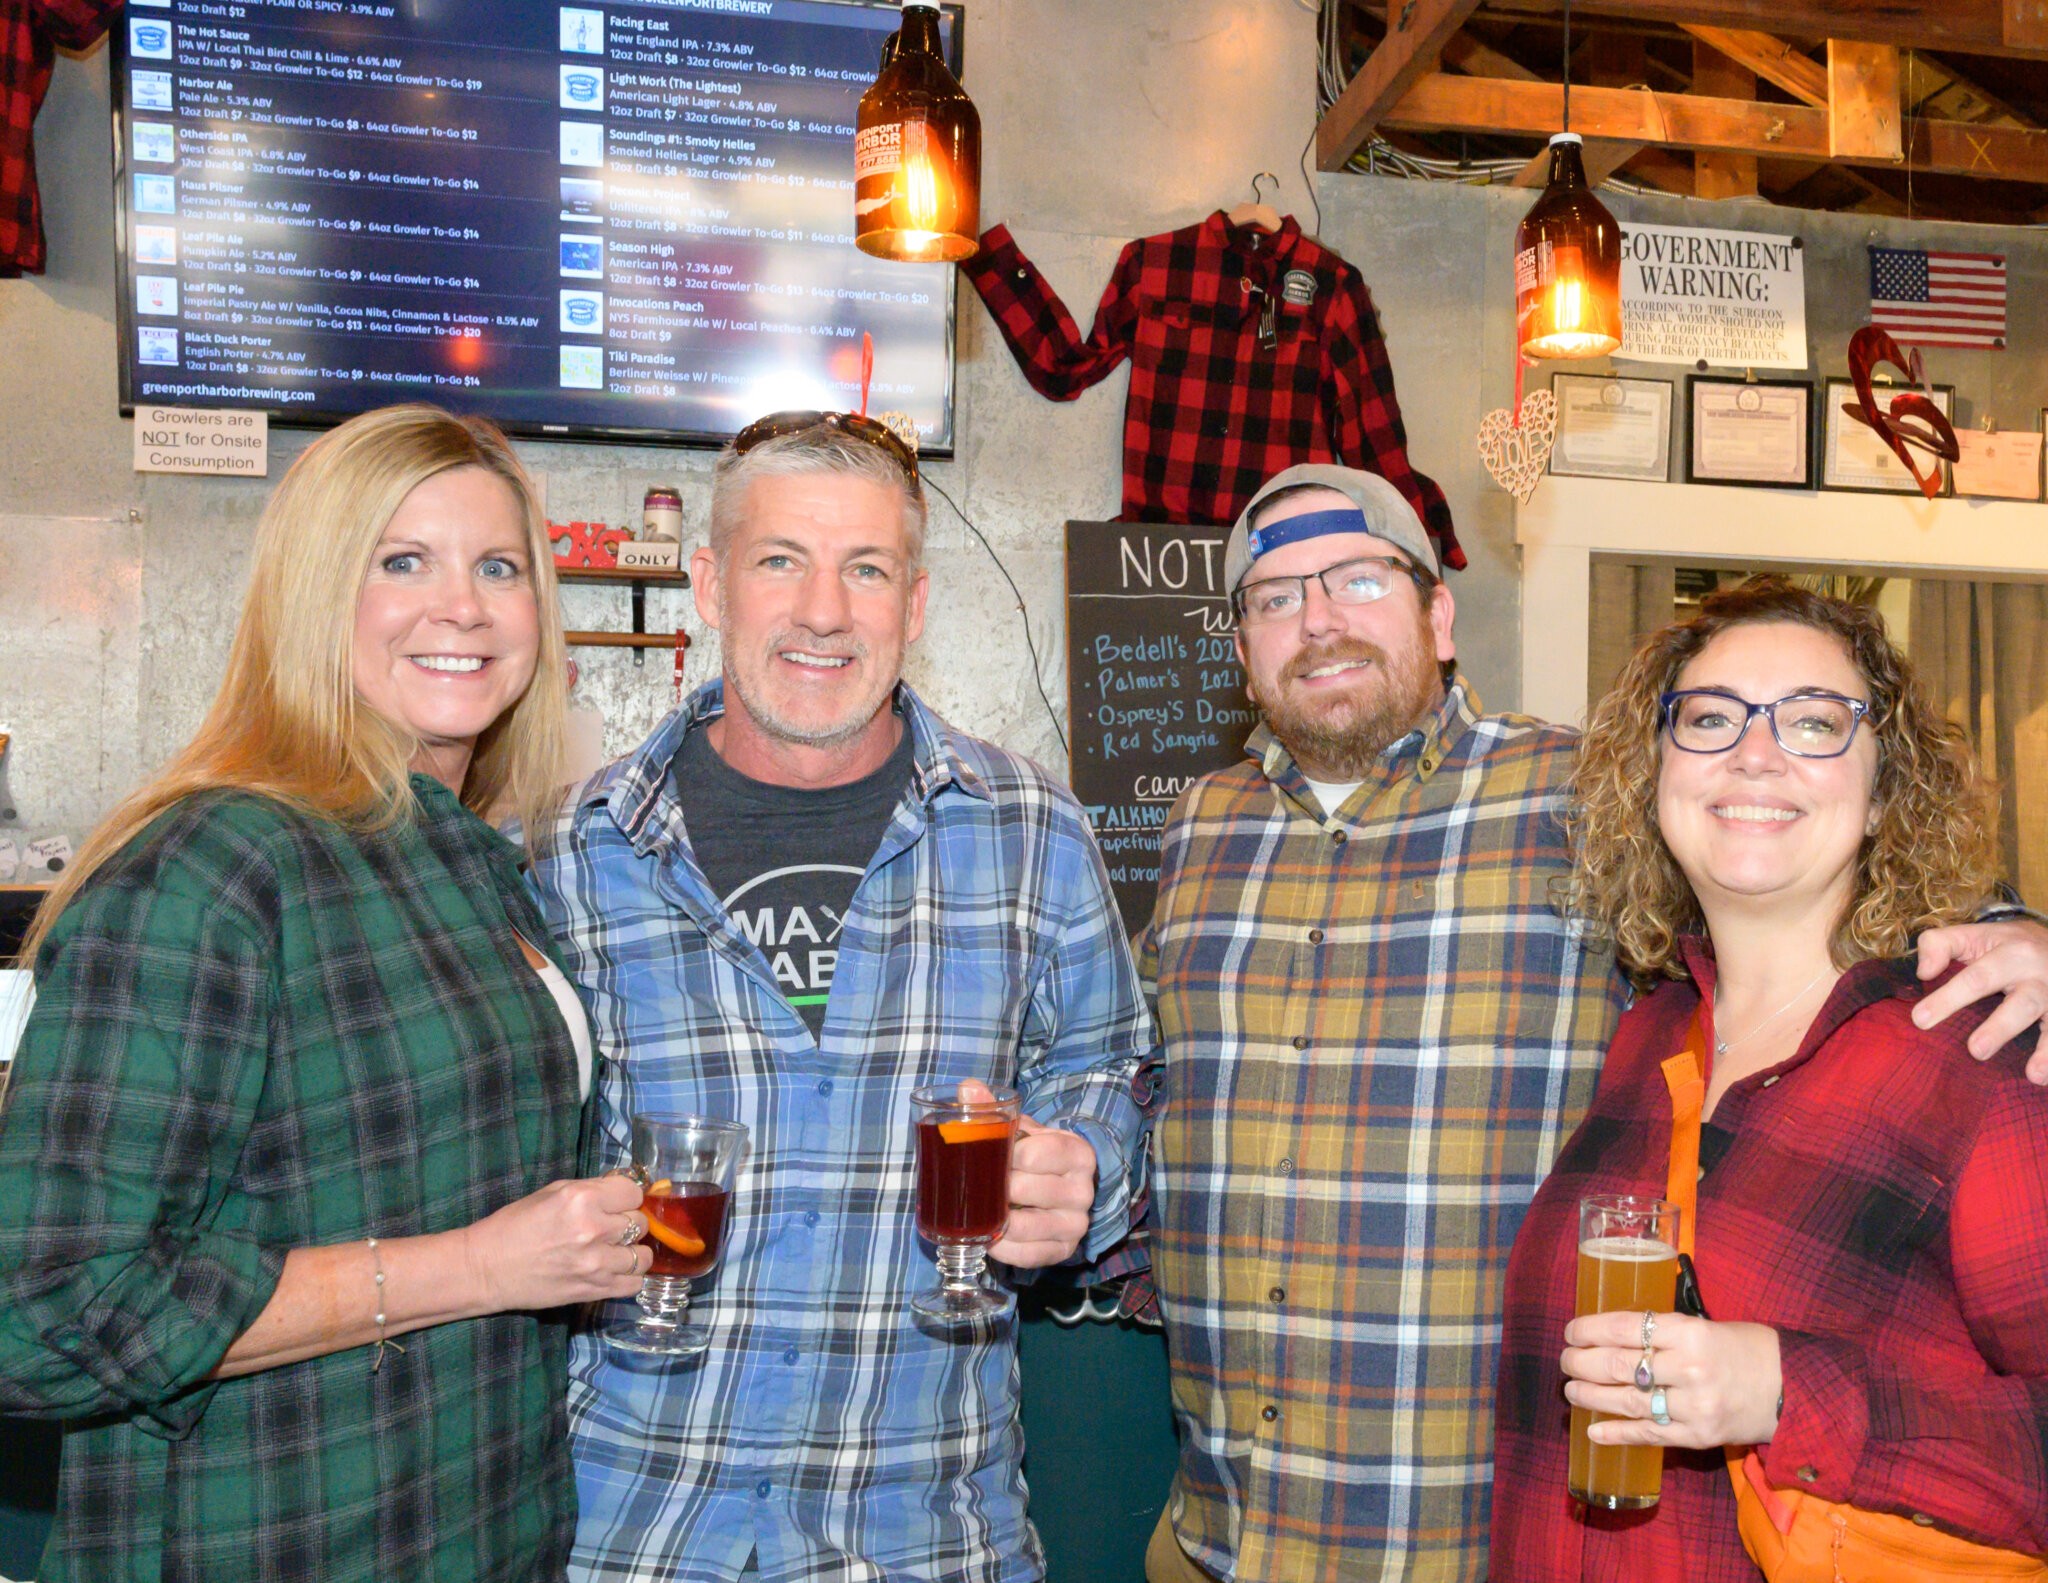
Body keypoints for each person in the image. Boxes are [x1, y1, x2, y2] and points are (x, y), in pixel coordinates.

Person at [1138, 464, 2048, 1583]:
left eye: (1358, 579)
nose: (1317, 619)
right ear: (1239, 647)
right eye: (1274, 598)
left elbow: (1780, 835)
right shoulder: (1197, 830)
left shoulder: (1570, 790)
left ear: (1437, 613)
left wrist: (2019, 930)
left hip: (1456, 1536)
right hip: (1223, 1522)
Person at [0, 404, 653, 1583]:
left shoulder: (473, 861)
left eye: (497, 566)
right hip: (260, 1535)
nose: (461, 603)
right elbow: (39, 1315)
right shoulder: (213, 865)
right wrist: (478, 1265)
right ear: (312, 593)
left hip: (482, 1529)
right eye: (401, 560)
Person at [529, 410, 1155, 1583]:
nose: (824, 610)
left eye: (865, 568)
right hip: (634, 1525)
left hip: (923, 1532)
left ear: (913, 605)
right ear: (709, 582)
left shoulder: (1032, 831)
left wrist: (1087, 1166)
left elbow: (1111, 1078)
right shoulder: (577, 848)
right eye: (781, 560)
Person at [1490, 577, 2048, 1578]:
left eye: (1812, 721)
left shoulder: (1976, 1052)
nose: (1754, 752)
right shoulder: (1646, 1034)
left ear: (1882, 792)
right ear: (1650, 773)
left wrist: (1789, 1388)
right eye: (1708, 718)